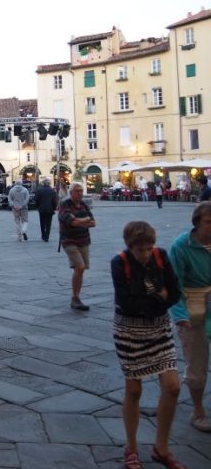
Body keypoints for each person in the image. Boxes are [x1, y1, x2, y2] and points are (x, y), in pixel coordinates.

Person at [111, 221, 183, 469]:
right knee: (134, 390)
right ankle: (131, 448)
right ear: (129, 246)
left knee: (173, 387)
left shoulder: (160, 256)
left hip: (159, 328)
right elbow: (127, 303)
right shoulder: (119, 262)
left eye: (148, 248)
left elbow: (174, 293)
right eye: (139, 249)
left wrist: (150, 300)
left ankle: (161, 448)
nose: (144, 254)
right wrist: (157, 297)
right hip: (129, 332)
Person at [168, 201, 211, 434]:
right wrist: (180, 315)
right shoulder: (181, 246)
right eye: (208, 222)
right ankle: (197, 410)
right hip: (193, 304)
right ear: (197, 223)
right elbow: (175, 285)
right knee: (196, 363)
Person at [58, 182, 95, 311]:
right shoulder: (64, 204)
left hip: (83, 240)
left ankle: (76, 297)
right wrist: (84, 220)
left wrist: (80, 221)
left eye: (81, 191)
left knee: (80, 269)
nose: (80, 193)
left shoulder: (83, 204)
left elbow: (93, 222)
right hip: (69, 240)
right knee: (80, 266)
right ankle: (75, 298)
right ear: (71, 192)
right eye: (77, 191)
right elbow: (70, 222)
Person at [33, 177, 58, 242]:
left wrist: (37, 206)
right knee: (48, 223)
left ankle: (43, 235)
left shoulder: (39, 190)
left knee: (42, 223)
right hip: (50, 209)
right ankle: (47, 237)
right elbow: (54, 201)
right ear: (49, 183)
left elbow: (36, 199)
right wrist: (54, 207)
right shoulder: (52, 190)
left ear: (43, 183)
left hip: (41, 209)